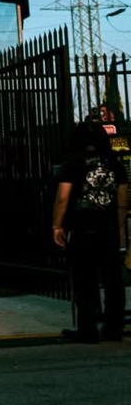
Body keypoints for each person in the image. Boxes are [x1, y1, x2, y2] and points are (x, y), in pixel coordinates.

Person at [52, 120, 128, 343]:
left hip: (82, 229)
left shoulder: (72, 164)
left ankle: (88, 329)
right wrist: (120, 228)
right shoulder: (115, 164)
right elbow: (122, 201)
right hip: (108, 228)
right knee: (112, 280)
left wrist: (57, 225)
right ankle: (114, 327)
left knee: (85, 280)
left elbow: (63, 197)